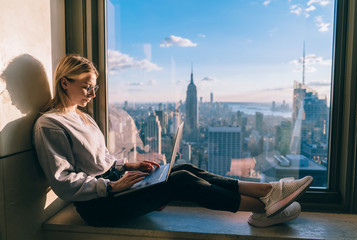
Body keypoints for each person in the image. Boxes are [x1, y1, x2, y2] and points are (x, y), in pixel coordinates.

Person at [33, 54, 313, 228]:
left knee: (183, 168)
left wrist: (131, 165)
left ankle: (269, 190)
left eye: (95, 87)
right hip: (100, 206)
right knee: (180, 183)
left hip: (116, 186)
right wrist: (113, 186)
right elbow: (63, 182)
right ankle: (266, 208)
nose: (92, 94)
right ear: (64, 83)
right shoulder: (50, 125)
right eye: (86, 86)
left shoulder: (83, 117)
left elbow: (102, 159)